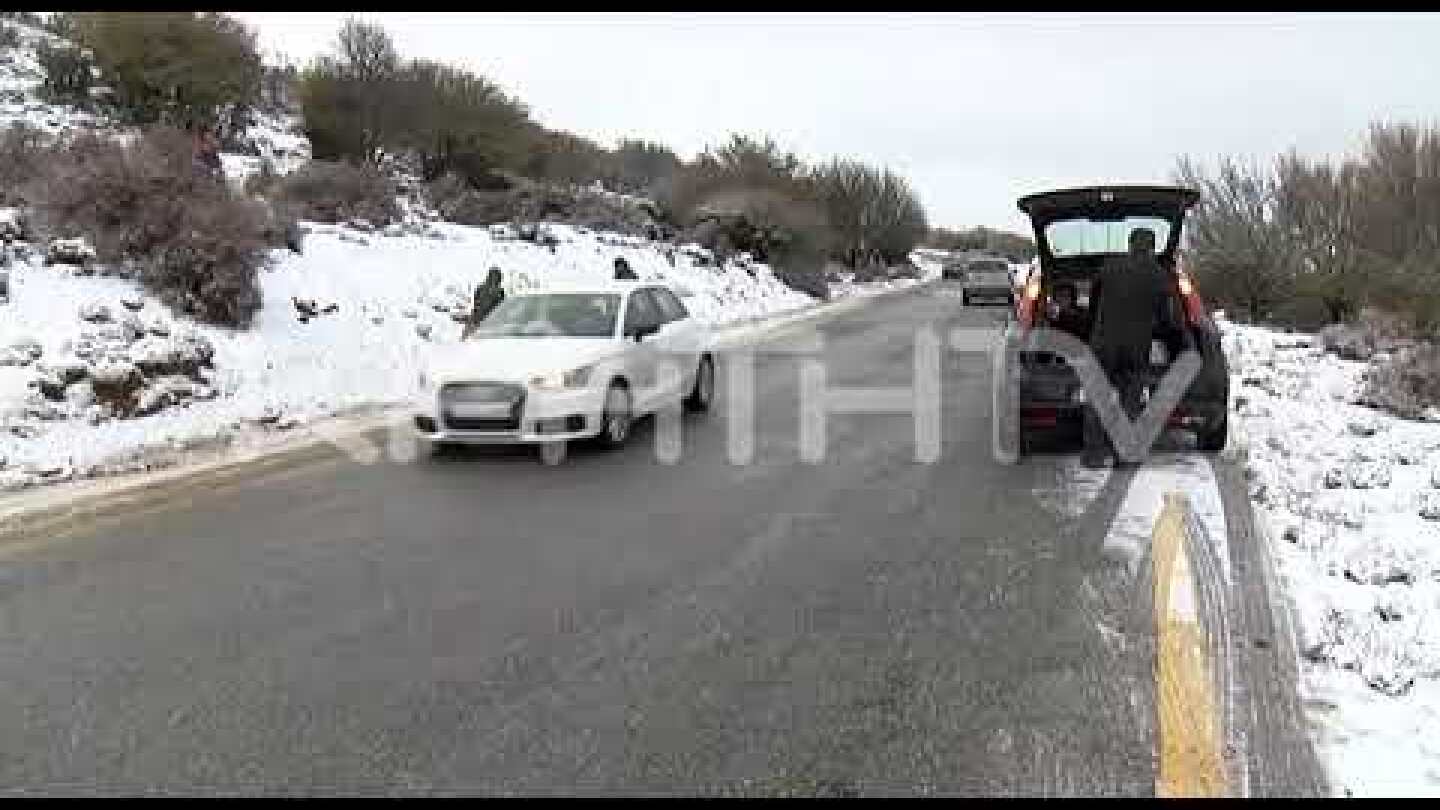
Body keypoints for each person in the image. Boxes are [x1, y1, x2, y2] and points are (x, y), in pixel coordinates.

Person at [1081, 227, 1175, 469]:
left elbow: (1094, 302)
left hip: (1103, 344)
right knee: (1130, 400)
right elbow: (1167, 318)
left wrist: (1093, 326)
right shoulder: (1158, 274)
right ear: (1152, 247)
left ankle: (1093, 454)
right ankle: (1123, 456)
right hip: (1136, 348)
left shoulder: (1109, 266)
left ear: (1130, 244)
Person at [462, 267, 506, 339]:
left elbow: (475, 303)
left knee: (467, 339)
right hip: (490, 321)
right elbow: (502, 307)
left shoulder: (480, 288)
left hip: (477, 319)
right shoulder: (500, 292)